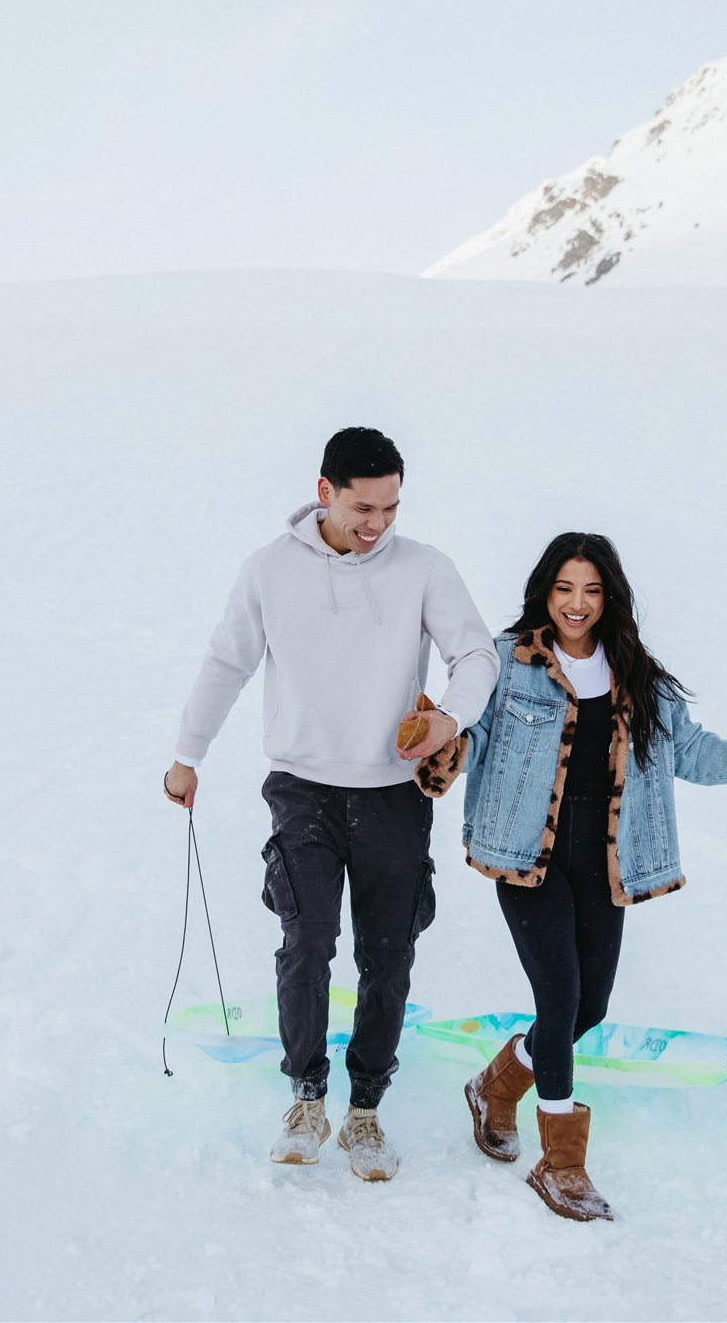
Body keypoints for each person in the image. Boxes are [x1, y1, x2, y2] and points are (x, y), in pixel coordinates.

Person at [415, 532, 727, 1221]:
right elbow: (475, 734)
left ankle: (496, 1086)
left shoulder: (637, 674)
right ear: (546, 590)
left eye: (592, 590)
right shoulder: (512, 664)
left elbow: (689, 751)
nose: (577, 604)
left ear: (611, 597)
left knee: (588, 1009)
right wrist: (446, 748)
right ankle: (562, 1163)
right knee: (561, 991)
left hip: (603, 861)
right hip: (527, 857)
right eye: (566, 588)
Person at [165, 427, 498, 1182]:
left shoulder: (424, 568)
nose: (378, 522)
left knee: (387, 954)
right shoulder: (269, 571)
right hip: (302, 788)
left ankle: (366, 1110)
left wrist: (451, 716)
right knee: (305, 941)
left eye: (390, 506)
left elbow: (474, 653)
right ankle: (307, 1096)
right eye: (362, 507)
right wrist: (188, 755)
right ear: (325, 493)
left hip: (392, 796)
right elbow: (227, 661)